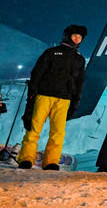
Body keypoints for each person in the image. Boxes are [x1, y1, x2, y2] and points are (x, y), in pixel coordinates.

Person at [17, 24, 87, 170]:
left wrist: (75, 101)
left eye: (80, 37)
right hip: (44, 95)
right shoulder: (52, 52)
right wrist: (33, 92)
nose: (77, 39)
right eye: (75, 35)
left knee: (58, 132)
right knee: (34, 128)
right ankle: (26, 159)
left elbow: (79, 82)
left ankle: (51, 161)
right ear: (67, 36)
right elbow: (37, 73)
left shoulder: (79, 60)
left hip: (64, 99)